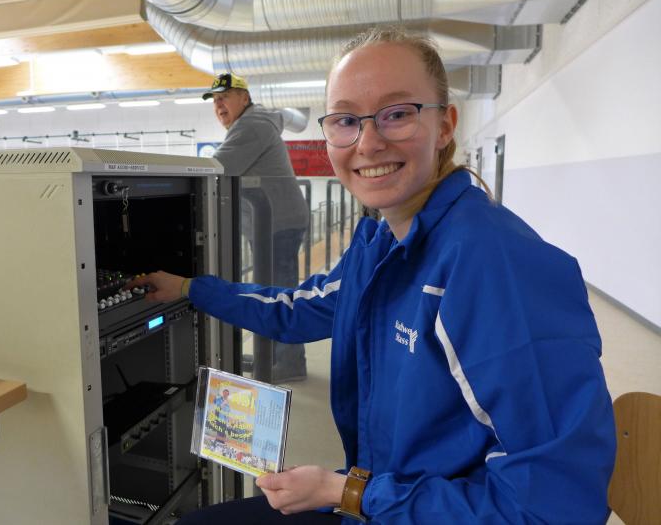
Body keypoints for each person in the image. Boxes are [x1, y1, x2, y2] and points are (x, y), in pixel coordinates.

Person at [129, 26, 616, 524]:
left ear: (445, 126)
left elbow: (553, 509)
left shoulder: (498, 267)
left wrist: (350, 493)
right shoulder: (381, 244)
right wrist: (189, 288)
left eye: (397, 113)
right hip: (383, 497)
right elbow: (297, 310)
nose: (369, 142)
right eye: (346, 120)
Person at [203, 73, 311, 384]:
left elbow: (219, 167)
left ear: (245, 98)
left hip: (277, 223)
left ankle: (289, 361)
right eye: (215, 100)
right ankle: (277, 357)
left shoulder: (251, 125)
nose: (219, 105)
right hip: (273, 222)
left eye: (225, 97)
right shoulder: (254, 122)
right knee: (273, 290)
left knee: (279, 294)